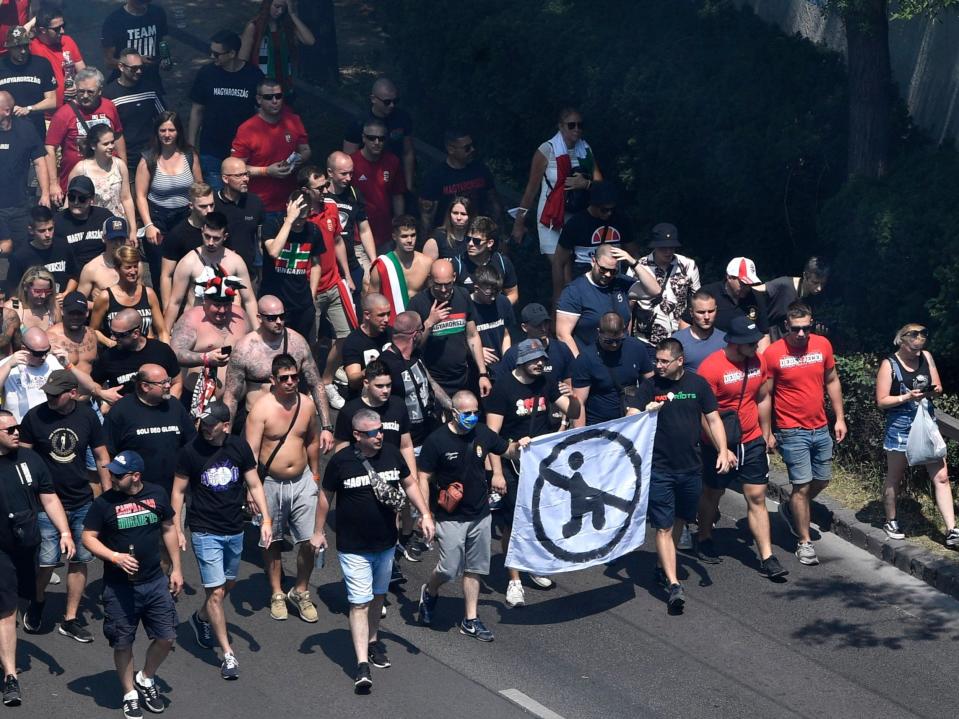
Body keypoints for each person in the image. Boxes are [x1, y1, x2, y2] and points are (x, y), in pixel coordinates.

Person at [310, 408, 433, 693]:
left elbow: (409, 484)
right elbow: (325, 497)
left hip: (386, 544)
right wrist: (318, 532)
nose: (379, 436)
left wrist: (425, 514)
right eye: (372, 433)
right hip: (353, 547)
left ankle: (373, 640)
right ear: (356, 435)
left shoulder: (391, 454)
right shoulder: (341, 462)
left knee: (378, 596)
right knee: (359, 602)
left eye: (380, 431)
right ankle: (362, 664)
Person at [626, 338, 734, 610]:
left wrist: (722, 450)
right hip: (659, 469)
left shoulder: (697, 385)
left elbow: (712, 418)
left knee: (680, 521)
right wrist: (644, 414)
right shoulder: (650, 386)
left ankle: (664, 566)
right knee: (663, 526)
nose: (658, 366)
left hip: (690, 469)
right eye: (657, 360)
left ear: (679, 361)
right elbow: (630, 416)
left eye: (664, 361)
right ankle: (674, 584)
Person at [171, 401, 272, 680]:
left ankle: (201, 618)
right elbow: (178, 492)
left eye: (211, 424)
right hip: (205, 530)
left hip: (234, 528)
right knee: (215, 593)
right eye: (203, 422)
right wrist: (178, 529)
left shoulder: (238, 447)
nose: (205, 427)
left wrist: (266, 520)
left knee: (228, 584)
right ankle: (228, 654)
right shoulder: (190, 451)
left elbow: (253, 484)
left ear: (225, 426)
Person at [418, 390, 530, 638]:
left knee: (475, 568)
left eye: (475, 412)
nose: (472, 417)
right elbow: (423, 477)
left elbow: (507, 450)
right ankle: (430, 590)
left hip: (480, 513)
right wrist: (425, 513)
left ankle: (471, 619)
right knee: (448, 569)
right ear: (454, 412)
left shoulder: (482, 432)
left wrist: (519, 447)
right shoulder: (436, 441)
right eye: (467, 413)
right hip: (450, 516)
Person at [81, 449, 183, 718]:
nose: (111, 476)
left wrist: (177, 569)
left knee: (167, 636)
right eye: (111, 472)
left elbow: (170, 528)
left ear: (135, 476)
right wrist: (114, 556)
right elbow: (88, 538)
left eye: (117, 474)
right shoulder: (104, 503)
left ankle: (146, 678)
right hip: (119, 588)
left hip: (154, 581)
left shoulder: (157, 494)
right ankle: (129, 693)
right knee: (122, 643)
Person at [484, 339, 579, 607]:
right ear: (521, 361)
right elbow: (492, 436)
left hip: (540, 466)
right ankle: (514, 579)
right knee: (513, 524)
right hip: (512, 464)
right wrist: (497, 474)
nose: (541, 363)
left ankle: (533, 563)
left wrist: (571, 396)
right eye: (535, 359)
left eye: (543, 359)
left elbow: (573, 410)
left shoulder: (546, 382)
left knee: (540, 516)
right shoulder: (503, 389)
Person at [18, 369, 110, 640]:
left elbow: (101, 454)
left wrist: (107, 494)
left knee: (80, 560)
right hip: (46, 503)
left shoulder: (87, 415)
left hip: (81, 500)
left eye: (55, 395)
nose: (50, 398)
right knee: (47, 561)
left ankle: (70, 618)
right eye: (48, 393)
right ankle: (37, 602)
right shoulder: (35, 417)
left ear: (72, 393)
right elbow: (23, 458)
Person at [696, 316, 786, 578]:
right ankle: (704, 537)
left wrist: (767, 432)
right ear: (735, 343)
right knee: (713, 493)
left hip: (752, 440)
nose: (757, 347)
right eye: (751, 343)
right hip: (718, 443)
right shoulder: (711, 368)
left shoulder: (758, 361)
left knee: (757, 497)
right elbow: (703, 414)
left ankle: (767, 557)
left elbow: (762, 396)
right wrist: (721, 447)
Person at [0, 408, 75, 708]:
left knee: (19, 601)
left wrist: (65, 533)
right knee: (6, 612)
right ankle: (10, 676)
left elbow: (49, 497)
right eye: (10, 430)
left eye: (18, 427)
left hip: (26, 545)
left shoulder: (30, 460)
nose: (17, 432)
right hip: (0, 550)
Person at [765, 303, 847, 565]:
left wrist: (840, 418)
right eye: (796, 329)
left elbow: (832, 380)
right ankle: (804, 541)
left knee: (822, 479)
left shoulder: (822, 345)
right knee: (801, 485)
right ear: (787, 326)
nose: (801, 334)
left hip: (820, 426)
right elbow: (764, 395)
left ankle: (790, 508)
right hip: (791, 430)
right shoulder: (774, 353)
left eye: (806, 329)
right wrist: (766, 431)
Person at [245, 353, 320, 622]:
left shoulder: (307, 405)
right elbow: (250, 454)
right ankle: (277, 592)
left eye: (294, 377)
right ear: (272, 380)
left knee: (310, 540)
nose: (290, 382)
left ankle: (301, 590)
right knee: (272, 540)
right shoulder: (261, 409)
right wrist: (250, 491)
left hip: (302, 481)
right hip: (270, 483)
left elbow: (312, 439)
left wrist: (315, 473)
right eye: (284, 378)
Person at [875, 323, 958, 547]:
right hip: (901, 423)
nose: (917, 344)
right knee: (896, 475)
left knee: (941, 475)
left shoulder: (927, 357)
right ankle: (891, 520)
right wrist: (906, 397)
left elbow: (938, 386)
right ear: (901, 340)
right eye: (913, 339)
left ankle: (951, 529)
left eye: (922, 338)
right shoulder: (889, 364)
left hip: (926, 421)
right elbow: (882, 401)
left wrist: (932, 391)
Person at [221, 295, 333, 447]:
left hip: (291, 418)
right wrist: (225, 434)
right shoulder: (245, 349)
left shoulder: (297, 343)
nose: (279, 322)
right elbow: (231, 396)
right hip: (257, 423)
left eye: (282, 316)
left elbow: (316, 383)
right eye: (272, 318)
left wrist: (326, 427)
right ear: (259, 317)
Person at [511, 107, 603, 257]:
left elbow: (600, 185)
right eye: (571, 125)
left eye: (580, 125)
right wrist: (518, 224)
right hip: (551, 215)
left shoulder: (585, 149)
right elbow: (531, 190)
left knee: (575, 267)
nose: (577, 129)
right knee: (559, 264)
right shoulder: (547, 149)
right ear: (561, 126)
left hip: (578, 213)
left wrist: (585, 184)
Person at [188, 30, 263, 191]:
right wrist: (191, 144)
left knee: (242, 194)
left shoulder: (253, 75)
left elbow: (260, 112)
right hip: (211, 148)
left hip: (243, 150)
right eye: (211, 52)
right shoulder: (207, 74)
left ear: (232, 53)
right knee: (216, 196)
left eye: (217, 54)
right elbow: (197, 109)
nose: (212, 57)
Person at [103, 362, 193, 493]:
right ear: (145, 386)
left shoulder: (175, 406)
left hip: (174, 492)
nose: (169, 385)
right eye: (163, 383)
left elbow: (191, 444)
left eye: (168, 380)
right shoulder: (121, 410)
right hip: (136, 494)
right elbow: (107, 453)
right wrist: (110, 490)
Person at [408, 259, 491, 398]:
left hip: (463, 377)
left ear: (454, 277)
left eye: (447, 284)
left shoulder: (463, 295)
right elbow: (411, 348)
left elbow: (472, 336)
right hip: (433, 381)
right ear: (430, 280)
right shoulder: (417, 303)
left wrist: (482, 373)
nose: (443, 290)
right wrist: (429, 323)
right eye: (438, 285)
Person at [135, 111, 202, 280]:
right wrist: (148, 225)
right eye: (162, 130)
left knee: (188, 269)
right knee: (160, 272)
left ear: (178, 131)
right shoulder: (148, 160)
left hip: (185, 217)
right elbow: (140, 196)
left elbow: (200, 187)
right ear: (157, 132)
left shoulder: (189, 155)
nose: (167, 135)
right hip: (158, 219)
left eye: (171, 130)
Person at [170, 273, 249, 416]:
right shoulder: (191, 319)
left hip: (237, 404)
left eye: (226, 305)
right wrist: (205, 358)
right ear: (205, 301)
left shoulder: (241, 317)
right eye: (217, 305)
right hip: (199, 404)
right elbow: (174, 353)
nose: (222, 311)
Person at [163, 211, 258, 329]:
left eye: (216, 238)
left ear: (225, 237)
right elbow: (175, 302)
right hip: (196, 324)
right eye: (207, 236)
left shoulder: (236, 261)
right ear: (202, 231)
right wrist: (165, 335)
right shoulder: (188, 262)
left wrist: (258, 332)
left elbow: (249, 300)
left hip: (225, 325)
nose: (210, 242)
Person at [230, 76, 310, 216]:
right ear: (259, 99)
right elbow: (235, 169)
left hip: (291, 203)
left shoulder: (294, 120)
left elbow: (305, 150)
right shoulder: (247, 129)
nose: (275, 101)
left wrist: (296, 161)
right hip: (260, 205)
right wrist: (267, 171)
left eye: (278, 96)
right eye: (268, 97)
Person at [556, 244, 654, 356]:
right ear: (593, 261)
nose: (607, 274)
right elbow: (563, 334)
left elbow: (654, 291)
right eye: (603, 269)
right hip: (591, 360)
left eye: (613, 271)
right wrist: (580, 363)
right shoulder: (574, 291)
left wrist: (633, 262)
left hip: (622, 357)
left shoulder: (621, 283)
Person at [45, 67, 125, 202]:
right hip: (77, 180)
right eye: (81, 91)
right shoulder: (64, 114)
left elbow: (117, 135)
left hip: (108, 178)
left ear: (100, 91)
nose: (85, 96)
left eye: (90, 92)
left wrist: (123, 169)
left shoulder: (109, 107)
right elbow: (49, 148)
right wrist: (53, 184)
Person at [552, 182, 638, 304]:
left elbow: (634, 255)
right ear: (593, 205)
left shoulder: (621, 220)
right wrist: (560, 293)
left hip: (614, 282)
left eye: (612, 210)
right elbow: (559, 261)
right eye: (604, 210)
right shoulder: (576, 223)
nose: (609, 213)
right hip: (583, 282)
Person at [623, 223, 701, 357]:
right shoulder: (638, 268)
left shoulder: (688, 265)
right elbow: (627, 307)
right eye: (663, 248)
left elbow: (697, 300)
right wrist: (627, 340)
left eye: (671, 247)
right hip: (647, 341)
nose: (668, 252)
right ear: (654, 246)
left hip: (681, 338)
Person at [378, 310, 451, 448]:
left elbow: (431, 383)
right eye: (421, 330)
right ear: (416, 334)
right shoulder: (385, 364)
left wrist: (452, 406)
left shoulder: (415, 355)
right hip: (406, 443)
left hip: (429, 434)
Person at [571, 311, 653, 427]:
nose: (614, 345)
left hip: (631, 422)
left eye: (618, 340)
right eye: (608, 341)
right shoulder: (586, 358)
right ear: (599, 332)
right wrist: (580, 437)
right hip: (599, 425)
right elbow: (580, 403)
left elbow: (650, 383)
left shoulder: (636, 348)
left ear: (624, 331)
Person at [419, 129, 503, 241]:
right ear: (451, 149)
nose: (472, 150)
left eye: (473, 145)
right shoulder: (435, 177)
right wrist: (427, 244)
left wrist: (500, 236)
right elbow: (427, 217)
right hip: (448, 238)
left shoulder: (481, 170)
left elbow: (494, 204)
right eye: (467, 148)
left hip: (479, 235)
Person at [333, 360, 415, 476]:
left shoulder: (399, 405)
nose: (385, 390)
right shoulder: (349, 411)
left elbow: (406, 446)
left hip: (394, 473)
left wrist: (413, 477)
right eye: (379, 386)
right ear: (366, 383)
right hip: (361, 474)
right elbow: (341, 451)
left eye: (388, 385)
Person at [260, 192, 323, 339]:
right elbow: (274, 251)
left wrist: (312, 294)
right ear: (288, 207)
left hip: (302, 302)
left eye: (303, 217)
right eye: (297, 216)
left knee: (303, 345)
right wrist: (289, 220)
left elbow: (316, 265)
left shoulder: (313, 231)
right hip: (275, 301)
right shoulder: (272, 225)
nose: (299, 222)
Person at [102, 48, 165, 179]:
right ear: (121, 66)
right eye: (134, 68)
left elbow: (164, 118)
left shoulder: (150, 88)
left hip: (151, 153)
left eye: (141, 67)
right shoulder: (109, 95)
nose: (139, 71)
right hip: (125, 156)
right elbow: (106, 128)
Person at [342, 77, 415, 190]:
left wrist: (408, 185)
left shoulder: (403, 118)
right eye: (387, 102)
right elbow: (349, 158)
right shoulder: (358, 122)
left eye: (395, 101)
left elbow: (408, 152)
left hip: (395, 175)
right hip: (367, 178)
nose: (392, 105)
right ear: (373, 99)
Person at [92, 310, 181, 400]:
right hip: (125, 411)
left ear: (136, 333)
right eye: (112, 333)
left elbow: (177, 383)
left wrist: (170, 406)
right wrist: (102, 394)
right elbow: (94, 383)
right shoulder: (109, 356)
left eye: (119, 335)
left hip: (159, 409)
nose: (113, 338)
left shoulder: (161, 350)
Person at [324, 150, 377, 298]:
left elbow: (364, 229)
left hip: (351, 260)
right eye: (343, 174)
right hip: (326, 264)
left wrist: (373, 260)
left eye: (351, 173)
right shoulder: (320, 195)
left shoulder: (354, 194)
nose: (348, 178)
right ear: (330, 172)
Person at [90, 244, 167, 346]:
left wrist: (167, 352)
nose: (133, 271)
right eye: (128, 267)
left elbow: (162, 331)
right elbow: (93, 330)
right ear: (117, 269)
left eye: (135, 266)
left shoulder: (148, 294)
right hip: (118, 353)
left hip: (146, 351)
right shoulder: (106, 297)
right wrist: (110, 343)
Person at [0, 90, 49, 250]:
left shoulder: (25, 129)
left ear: (7, 111)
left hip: (19, 204)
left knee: (21, 251)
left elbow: (40, 162)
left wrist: (46, 194)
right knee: (5, 247)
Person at [349, 117, 406, 250]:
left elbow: (398, 195)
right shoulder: (351, 163)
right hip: (358, 236)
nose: (377, 142)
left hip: (385, 234)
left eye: (381, 138)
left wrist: (400, 225)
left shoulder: (392, 161)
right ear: (363, 138)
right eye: (371, 138)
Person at [239, 0, 315, 98]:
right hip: (263, 86)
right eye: (277, 6)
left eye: (283, 8)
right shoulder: (254, 26)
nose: (280, 11)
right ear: (268, 4)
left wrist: (292, 14)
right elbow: (243, 60)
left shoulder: (286, 26)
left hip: (284, 84)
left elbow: (310, 41)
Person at [67, 123, 136, 230]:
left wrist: (133, 229)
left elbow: (126, 198)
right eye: (105, 144)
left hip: (117, 225)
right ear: (93, 146)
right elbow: (69, 201)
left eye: (112, 142)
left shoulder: (120, 165)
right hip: (91, 225)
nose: (111, 147)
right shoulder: (80, 169)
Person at [158, 182, 215, 304]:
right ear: (191, 206)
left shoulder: (219, 229)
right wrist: (167, 310)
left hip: (216, 297)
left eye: (212, 205)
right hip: (188, 300)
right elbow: (166, 276)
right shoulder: (177, 235)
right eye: (203, 206)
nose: (209, 211)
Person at [696, 256, 770, 349]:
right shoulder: (708, 293)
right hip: (712, 351)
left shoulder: (757, 298)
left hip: (747, 354)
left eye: (750, 284)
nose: (747, 288)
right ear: (729, 277)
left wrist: (760, 360)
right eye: (743, 283)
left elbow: (763, 334)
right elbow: (687, 322)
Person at [5, 205, 78, 299]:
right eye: (42, 231)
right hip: (33, 305)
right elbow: (13, 291)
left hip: (61, 301)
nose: (47, 234)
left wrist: (66, 293)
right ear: (31, 230)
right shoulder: (20, 256)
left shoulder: (63, 246)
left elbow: (75, 275)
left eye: (50, 229)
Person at [496, 302, 574, 390]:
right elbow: (502, 387)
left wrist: (569, 393)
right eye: (537, 325)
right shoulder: (513, 354)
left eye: (546, 323)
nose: (543, 328)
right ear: (524, 327)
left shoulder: (561, 349)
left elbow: (570, 383)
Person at [367, 214, 432, 318]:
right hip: (391, 323)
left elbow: (432, 296)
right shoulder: (382, 265)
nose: (410, 240)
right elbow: (371, 301)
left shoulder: (427, 263)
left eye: (413, 235)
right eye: (404, 236)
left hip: (419, 321)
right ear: (394, 237)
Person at [0, 25, 56, 143]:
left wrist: (29, 109)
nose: (23, 51)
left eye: (25, 45)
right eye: (18, 47)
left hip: (35, 130)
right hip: (5, 133)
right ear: (9, 48)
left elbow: (52, 101)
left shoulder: (41, 64)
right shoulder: (1, 66)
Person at [28, 4, 85, 114]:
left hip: (72, 110)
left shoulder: (67, 41)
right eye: (57, 28)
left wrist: (78, 86)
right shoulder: (31, 46)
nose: (62, 31)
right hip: (46, 116)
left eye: (63, 26)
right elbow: (15, 34)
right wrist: (32, 22)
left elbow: (84, 72)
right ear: (42, 30)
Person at [100, 0, 168, 91]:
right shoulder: (114, 21)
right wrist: (138, 62)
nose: (143, 4)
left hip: (152, 80)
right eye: (139, 2)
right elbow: (109, 62)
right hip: (126, 83)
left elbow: (162, 42)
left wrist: (165, 58)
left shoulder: (157, 13)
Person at [761, 257, 830, 341]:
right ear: (805, 275)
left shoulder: (817, 297)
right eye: (815, 282)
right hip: (768, 339)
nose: (819, 288)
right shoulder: (783, 285)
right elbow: (755, 291)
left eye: (822, 283)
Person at [216, 157, 264, 280]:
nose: (245, 179)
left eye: (246, 174)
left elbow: (259, 241)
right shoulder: (213, 204)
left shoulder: (255, 203)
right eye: (239, 176)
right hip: (218, 274)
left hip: (249, 275)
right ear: (225, 178)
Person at [75, 216, 144, 302]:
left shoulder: (137, 266)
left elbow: (141, 297)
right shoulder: (91, 269)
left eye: (121, 239)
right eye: (113, 239)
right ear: (104, 238)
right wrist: (102, 305)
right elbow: (78, 303)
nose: (118, 243)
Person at [452, 216, 518, 304]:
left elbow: (512, 294)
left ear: (490, 243)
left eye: (476, 241)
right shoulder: (457, 264)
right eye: (468, 239)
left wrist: (500, 309)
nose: (470, 244)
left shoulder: (503, 263)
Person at [53, 176, 113, 270]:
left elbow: (118, 247)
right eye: (72, 197)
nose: (76, 202)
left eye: (82, 199)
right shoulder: (58, 221)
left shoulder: (105, 217)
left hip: (101, 272)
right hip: (70, 274)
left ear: (92, 199)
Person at [342, 293, 391, 398]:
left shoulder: (391, 333)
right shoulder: (353, 341)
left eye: (388, 314)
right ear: (367, 315)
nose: (386, 319)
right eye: (381, 315)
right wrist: (371, 368)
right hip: (364, 398)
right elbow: (353, 380)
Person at [469, 264, 514, 378]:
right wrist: (477, 352)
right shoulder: (466, 306)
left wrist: (507, 360)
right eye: (489, 294)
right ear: (476, 288)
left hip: (500, 368)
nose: (493, 298)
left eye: (496, 293)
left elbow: (506, 334)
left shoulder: (503, 302)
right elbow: (457, 341)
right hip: (474, 369)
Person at [672, 289, 726, 373]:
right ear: (691, 312)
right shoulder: (677, 341)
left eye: (711, 311)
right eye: (701, 312)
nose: (707, 317)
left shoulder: (725, 340)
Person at [47, 291, 97, 375]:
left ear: (87, 313)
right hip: (63, 387)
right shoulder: (51, 337)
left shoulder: (91, 335)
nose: (75, 317)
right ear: (62, 311)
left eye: (80, 313)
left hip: (89, 387)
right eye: (71, 313)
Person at [4, 266, 59, 332]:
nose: (43, 296)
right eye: (38, 291)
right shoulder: (12, 307)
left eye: (47, 291)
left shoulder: (53, 306)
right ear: (25, 287)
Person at [422, 195, 472, 261]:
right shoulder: (437, 238)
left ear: (471, 216)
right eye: (455, 213)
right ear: (449, 214)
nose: (458, 218)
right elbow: (426, 268)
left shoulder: (474, 239)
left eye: (463, 214)